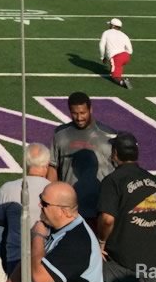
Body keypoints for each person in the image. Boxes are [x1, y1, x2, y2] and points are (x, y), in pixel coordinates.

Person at [97, 132, 156, 282]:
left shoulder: (113, 181)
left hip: (122, 261)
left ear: (115, 153)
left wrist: (101, 242)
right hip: (154, 261)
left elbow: (107, 219)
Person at [9, 181, 103, 282]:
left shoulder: (77, 241)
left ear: (63, 210)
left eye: (44, 203)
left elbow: (40, 277)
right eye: (40, 198)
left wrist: (37, 236)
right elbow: (30, 258)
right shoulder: (55, 224)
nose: (39, 204)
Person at [48, 92, 116, 221]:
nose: (79, 118)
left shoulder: (109, 135)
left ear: (90, 109)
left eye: (83, 113)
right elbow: (53, 167)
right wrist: (53, 200)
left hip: (99, 208)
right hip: (69, 209)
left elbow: (118, 170)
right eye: (75, 113)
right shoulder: (60, 134)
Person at [0, 143, 50, 277]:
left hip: (15, 255)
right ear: (46, 165)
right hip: (47, 256)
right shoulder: (54, 189)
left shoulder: (8, 188)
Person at [98, 18, 133, 89]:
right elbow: (130, 50)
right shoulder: (124, 35)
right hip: (126, 56)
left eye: (110, 24)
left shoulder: (106, 32)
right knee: (117, 66)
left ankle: (122, 82)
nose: (109, 26)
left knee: (115, 77)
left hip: (116, 57)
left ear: (113, 26)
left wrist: (102, 57)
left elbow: (101, 45)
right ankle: (117, 70)